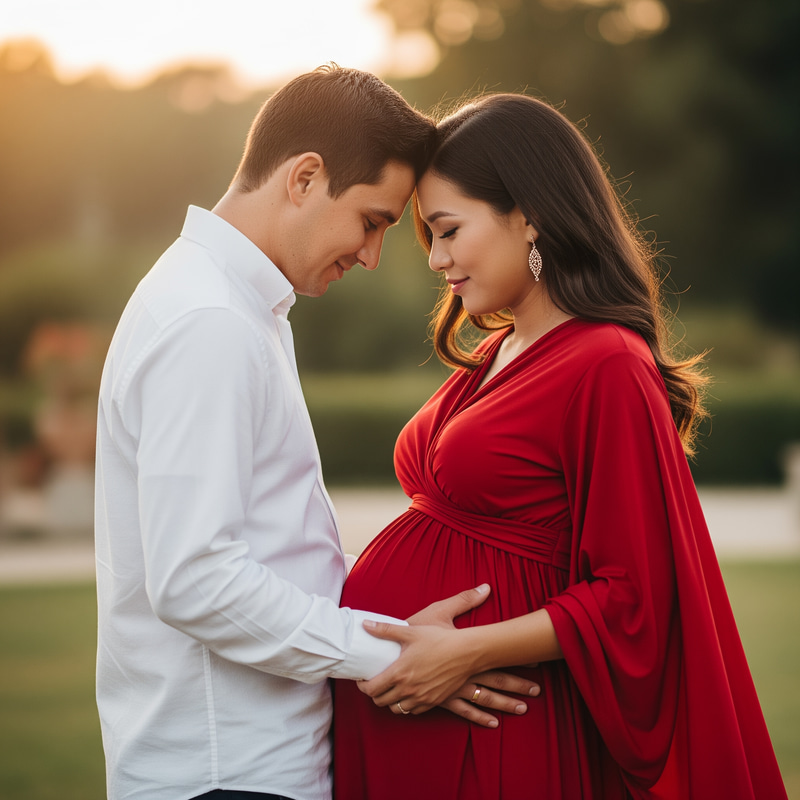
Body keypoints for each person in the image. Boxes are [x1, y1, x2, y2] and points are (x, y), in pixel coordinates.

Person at [94, 67, 539, 800]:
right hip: (228, 774)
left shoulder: (234, 306)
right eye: (373, 221)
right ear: (304, 178)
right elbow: (195, 579)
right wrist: (383, 651)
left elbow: (266, 543)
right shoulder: (210, 321)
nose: (371, 256)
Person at [334, 93, 787, 799]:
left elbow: (635, 592)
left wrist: (465, 650)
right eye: (430, 236)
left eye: (448, 230)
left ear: (529, 214)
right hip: (419, 722)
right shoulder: (499, 349)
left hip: (501, 732)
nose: (436, 259)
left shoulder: (606, 363)